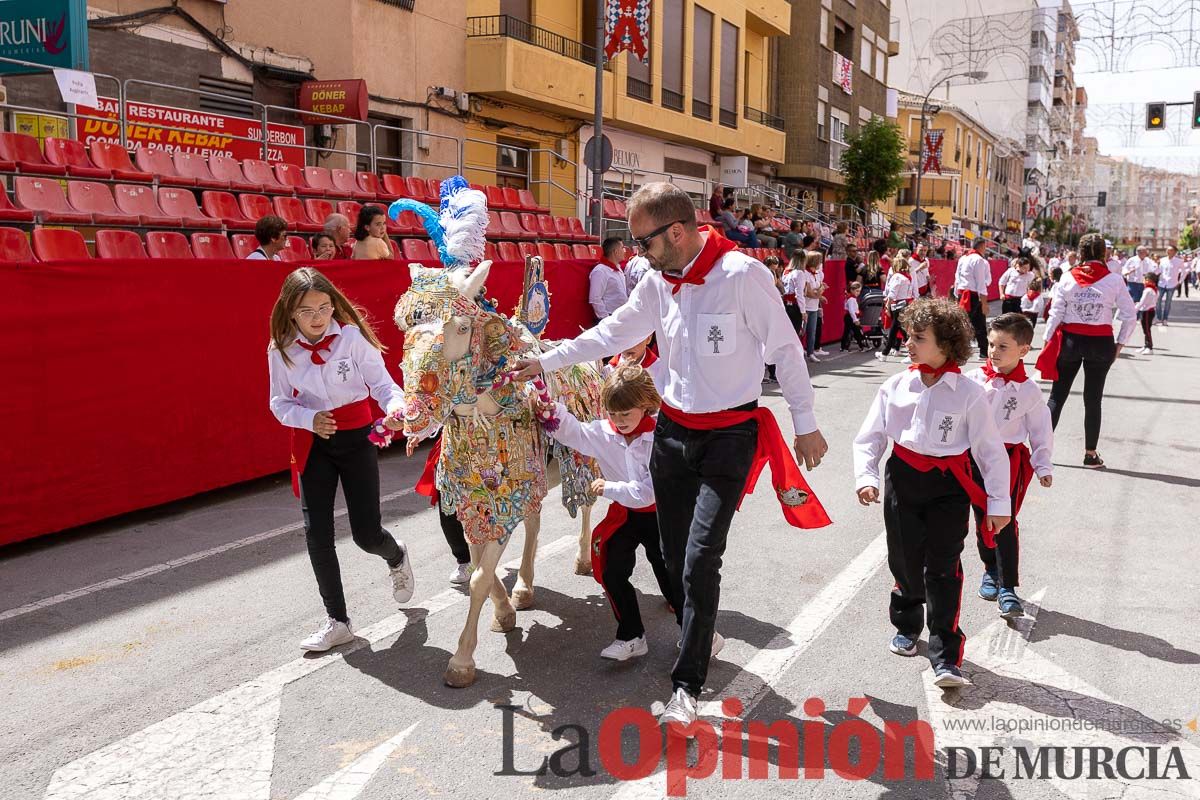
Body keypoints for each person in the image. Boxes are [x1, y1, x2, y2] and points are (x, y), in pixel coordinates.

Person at [510, 181, 829, 728]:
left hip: (729, 438)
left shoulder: (743, 277)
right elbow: (612, 332)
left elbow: (786, 351)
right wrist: (547, 360)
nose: (638, 253)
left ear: (676, 232)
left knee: (703, 559)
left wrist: (806, 424)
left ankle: (687, 686)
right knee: (676, 557)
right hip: (673, 436)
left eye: (643, 242)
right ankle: (700, 630)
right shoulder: (659, 283)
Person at [854, 297, 1010, 689]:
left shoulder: (969, 392)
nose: (909, 343)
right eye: (909, 335)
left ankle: (946, 655)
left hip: (948, 487)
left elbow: (990, 452)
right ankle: (907, 624)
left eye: (919, 338)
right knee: (905, 561)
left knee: (943, 566)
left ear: (946, 344)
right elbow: (870, 437)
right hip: (903, 480)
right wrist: (866, 477)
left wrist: (998, 503)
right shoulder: (896, 385)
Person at [267, 267, 415, 652]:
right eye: (307, 310)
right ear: (291, 312)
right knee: (317, 533)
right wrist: (307, 418)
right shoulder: (280, 349)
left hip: (356, 437)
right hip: (314, 442)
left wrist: (396, 407)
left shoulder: (351, 338)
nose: (318, 317)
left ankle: (396, 554)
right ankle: (338, 620)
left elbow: (383, 385)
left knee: (367, 534)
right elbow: (278, 402)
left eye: (324, 307)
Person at [540, 366, 680, 661]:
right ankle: (631, 635)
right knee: (612, 570)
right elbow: (572, 432)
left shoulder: (661, 438)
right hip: (626, 515)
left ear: (645, 406)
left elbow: (647, 492)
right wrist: (551, 410)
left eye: (626, 414)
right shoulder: (604, 432)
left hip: (663, 516)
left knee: (673, 577)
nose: (619, 421)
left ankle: (697, 635)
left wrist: (610, 487)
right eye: (613, 414)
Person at [965, 313, 1053, 620]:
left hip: (1009, 460)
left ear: (1023, 350)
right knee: (981, 520)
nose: (994, 351)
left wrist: (1043, 465)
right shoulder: (973, 380)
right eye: (991, 344)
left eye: (1003, 346)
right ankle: (990, 569)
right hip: (973, 459)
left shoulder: (1029, 391)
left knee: (1004, 519)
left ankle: (1008, 587)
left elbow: (1041, 429)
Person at [1035, 233, 1137, 469]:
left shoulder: (1068, 277)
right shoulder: (1114, 280)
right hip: (1101, 343)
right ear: (1104, 253)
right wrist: (1120, 344)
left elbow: (1055, 313)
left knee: (1056, 397)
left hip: (1070, 341)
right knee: (1093, 400)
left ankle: (1041, 453)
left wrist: (1047, 339)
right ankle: (1090, 454)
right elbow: (1130, 315)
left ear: (1080, 253)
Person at [953, 238, 992, 356]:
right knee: (965, 323)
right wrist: (984, 303)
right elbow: (980, 283)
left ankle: (983, 351)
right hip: (972, 295)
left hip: (964, 293)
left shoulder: (964, 258)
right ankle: (957, 350)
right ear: (981, 246)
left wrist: (956, 294)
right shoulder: (978, 260)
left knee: (977, 322)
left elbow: (957, 278)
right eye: (985, 246)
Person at [876, 257, 914, 362]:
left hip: (897, 306)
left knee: (901, 330)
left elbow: (892, 292)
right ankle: (885, 353)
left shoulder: (897, 276)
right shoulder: (907, 277)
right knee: (895, 330)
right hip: (903, 304)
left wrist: (887, 305)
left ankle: (911, 352)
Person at [590, 237, 629, 321]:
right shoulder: (600, 271)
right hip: (610, 317)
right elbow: (595, 298)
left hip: (620, 316)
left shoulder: (618, 268)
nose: (624, 251)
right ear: (615, 251)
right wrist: (606, 319)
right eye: (622, 248)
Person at [800, 251, 826, 362]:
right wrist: (818, 292)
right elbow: (809, 293)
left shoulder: (818, 274)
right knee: (802, 331)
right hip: (805, 307)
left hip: (814, 307)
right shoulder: (805, 274)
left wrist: (818, 293)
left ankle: (810, 353)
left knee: (812, 331)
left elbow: (820, 288)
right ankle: (799, 351)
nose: (821, 263)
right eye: (819, 261)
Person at [1155, 246, 1181, 325]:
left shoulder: (1179, 261)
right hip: (1161, 283)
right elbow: (1157, 271)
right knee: (1157, 301)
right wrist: (1157, 265)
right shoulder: (1162, 260)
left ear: (1175, 252)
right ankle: (1159, 318)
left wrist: (1180, 281)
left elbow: (1184, 271)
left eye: (1170, 250)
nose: (1168, 252)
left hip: (1172, 284)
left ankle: (1165, 319)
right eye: (1167, 250)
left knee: (1168, 302)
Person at [841, 281, 869, 352]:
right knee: (854, 332)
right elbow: (851, 311)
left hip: (851, 317)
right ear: (851, 290)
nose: (858, 293)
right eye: (857, 291)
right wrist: (855, 320)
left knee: (851, 332)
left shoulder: (851, 298)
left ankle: (845, 347)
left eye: (859, 291)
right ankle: (859, 346)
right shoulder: (851, 299)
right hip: (850, 317)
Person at [1136, 273, 1159, 355]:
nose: (1144, 281)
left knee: (1147, 330)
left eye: (1145, 279)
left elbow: (1142, 302)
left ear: (1148, 280)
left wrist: (1135, 309)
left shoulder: (1148, 290)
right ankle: (1146, 345)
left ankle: (1150, 347)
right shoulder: (1154, 289)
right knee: (1146, 329)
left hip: (1147, 311)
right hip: (1149, 311)